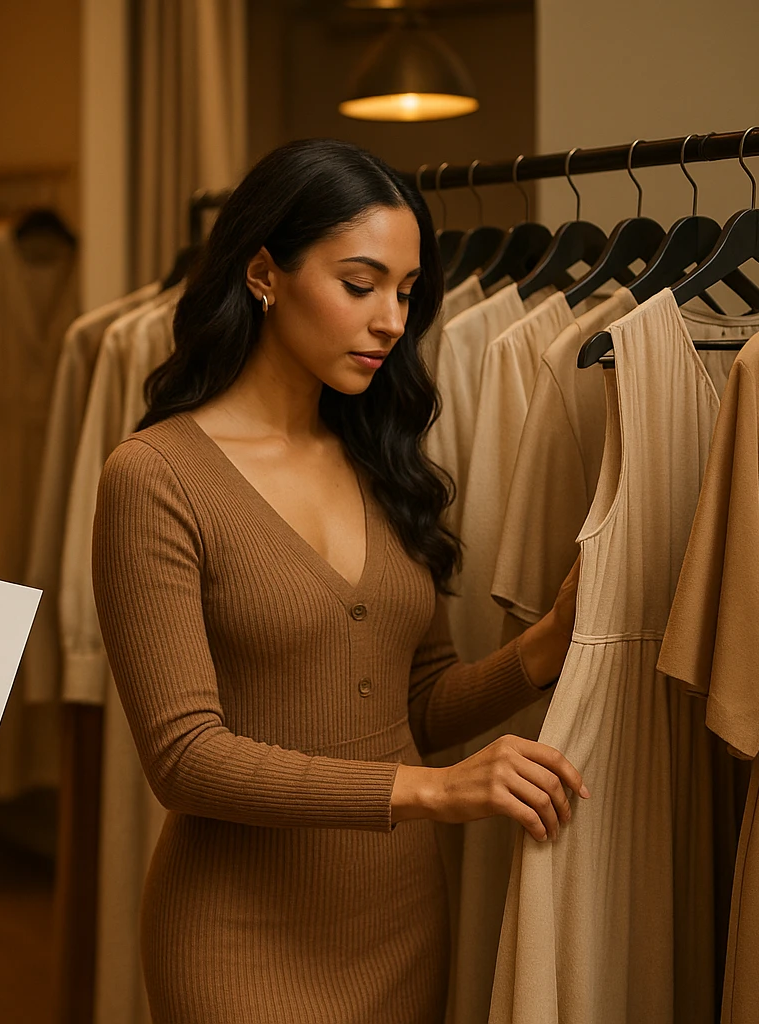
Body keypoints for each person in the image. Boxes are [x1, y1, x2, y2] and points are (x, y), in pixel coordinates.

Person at [90, 138, 587, 1023]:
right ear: (263, 273)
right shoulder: (156, 476)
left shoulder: (381, 456)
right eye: (361, 286)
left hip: (397, 924)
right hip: (236, 938)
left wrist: (544, 643)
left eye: (405, 292)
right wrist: (431, 791)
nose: (392, 321)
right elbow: (184, 760)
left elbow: (418, 706)